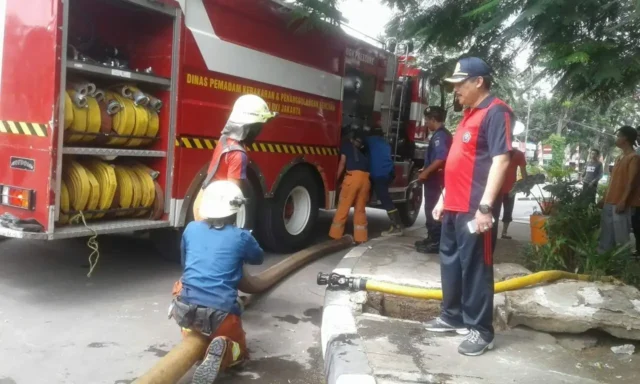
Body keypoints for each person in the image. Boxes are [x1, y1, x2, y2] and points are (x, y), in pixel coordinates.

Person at [424, 57, 513, 356]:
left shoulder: (496, 111)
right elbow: (458, 162)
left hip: (476, 208)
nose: (456, 90)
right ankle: (453, 316)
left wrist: (486, 207)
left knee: (476, 269)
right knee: (450, 262)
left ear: (479, 81)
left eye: (460, 83)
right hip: (454, 206)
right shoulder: (468, 114)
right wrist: (442, 198)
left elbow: (501, 160)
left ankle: (481, 330)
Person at [170, 180, 264, 384]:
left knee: (182, 286)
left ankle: (193, 339)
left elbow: (186, 264)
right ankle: (227, 349)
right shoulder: (241, 237)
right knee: (241, 352)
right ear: (235, 210)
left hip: (184, 308)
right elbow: (258, 258)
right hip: (221, 313)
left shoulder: (191, 228)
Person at [193, 94, 278, 221]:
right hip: (215, 211)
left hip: (202, 201)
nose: (259, 131)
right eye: (258, 127)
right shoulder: (238, 155)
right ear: (250, 127)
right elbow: (232, 196)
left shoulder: (224, 140)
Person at [415, 106, 452, 254]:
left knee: (433, 210)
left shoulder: (440, 136)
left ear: (433, 120)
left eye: (427, 120)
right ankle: (432, 238)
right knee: (429, 209)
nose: (425, 123)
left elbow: (441, 159)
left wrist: (426, 172)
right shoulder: (439, 134)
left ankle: (436, 242)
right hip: (434, 179)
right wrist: (425, 169)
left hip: (437, 180)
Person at [597, 126, 640, 255]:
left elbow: (631, 182)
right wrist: (604, 199)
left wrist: (623, 201)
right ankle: (602, 260)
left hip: (621, 203)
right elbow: (612, 181)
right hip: (609, 202)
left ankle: (622, 265)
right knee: (606, 232)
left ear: (625, 139)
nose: (616, 139)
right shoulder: (619, 158)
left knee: (621, 236)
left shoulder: (634, 158)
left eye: (618, 136)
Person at [329, 130, 371, 244]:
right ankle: (361, 237)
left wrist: (335, 179)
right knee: (360, 209)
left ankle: (335, 235)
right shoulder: (364, 153)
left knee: (344, 206)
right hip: (366, 180)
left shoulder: (347, 145)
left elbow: (342, 163)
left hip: (353, 178)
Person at [365, 127, 403, 236]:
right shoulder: (385, 144)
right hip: (388, 173)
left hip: (378, 174)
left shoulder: (370, 140)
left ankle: (397, 226)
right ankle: (397, 225)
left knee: (385, 199)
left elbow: (358, 142)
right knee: (384, 197)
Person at [493, 149, 527, 241]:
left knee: (500, 212)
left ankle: (499, 233)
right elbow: (523, 172)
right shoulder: (517, 153)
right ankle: (502, 233)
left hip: (503, 189)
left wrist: (525, 185)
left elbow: (523, 171)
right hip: (500, 189)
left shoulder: (498, 151)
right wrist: (525, 185)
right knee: (505, 212)